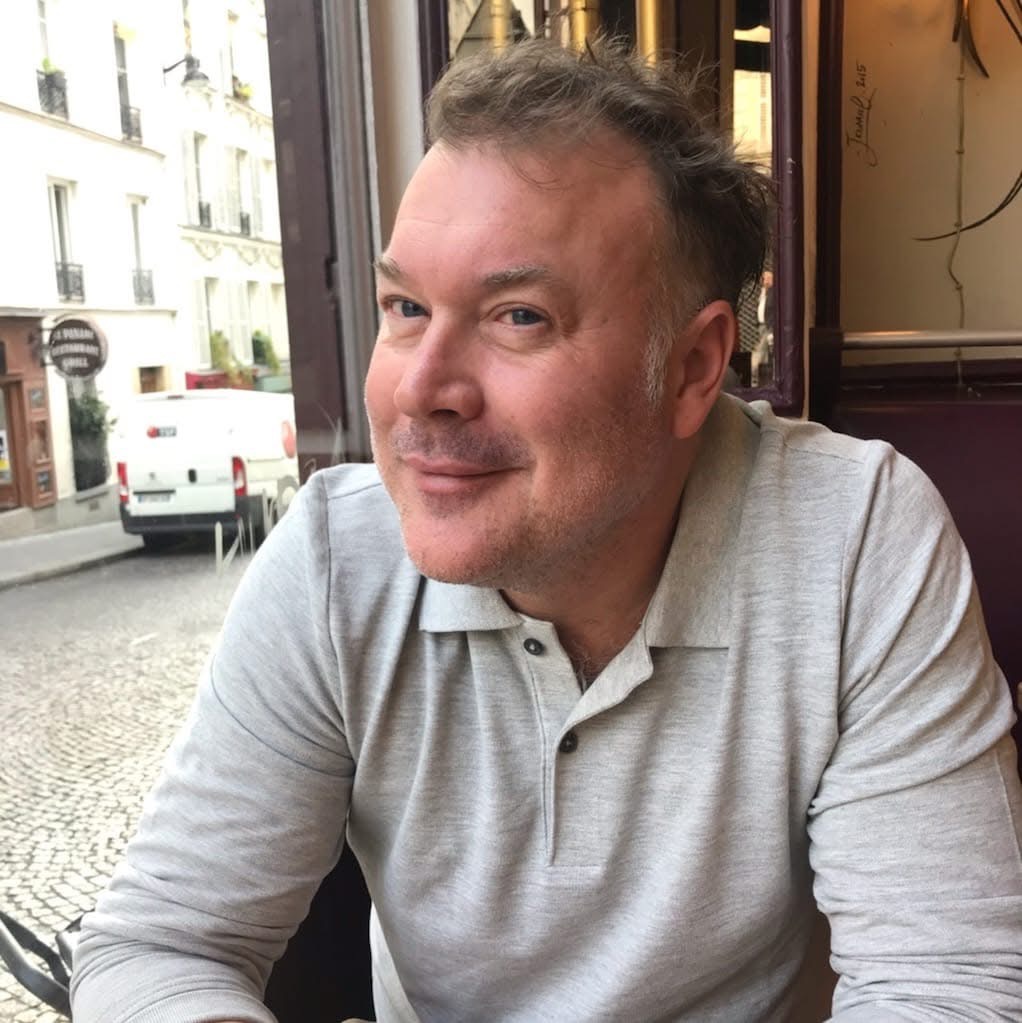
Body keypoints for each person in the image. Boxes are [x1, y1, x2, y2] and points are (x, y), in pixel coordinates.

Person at [71, 38, 1022, 1023]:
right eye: (406, 307)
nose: (421, 389)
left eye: (518, 316)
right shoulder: (333, 561)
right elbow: (160, 941)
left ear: (693, 367)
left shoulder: (852, 537)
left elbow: (946, 986)